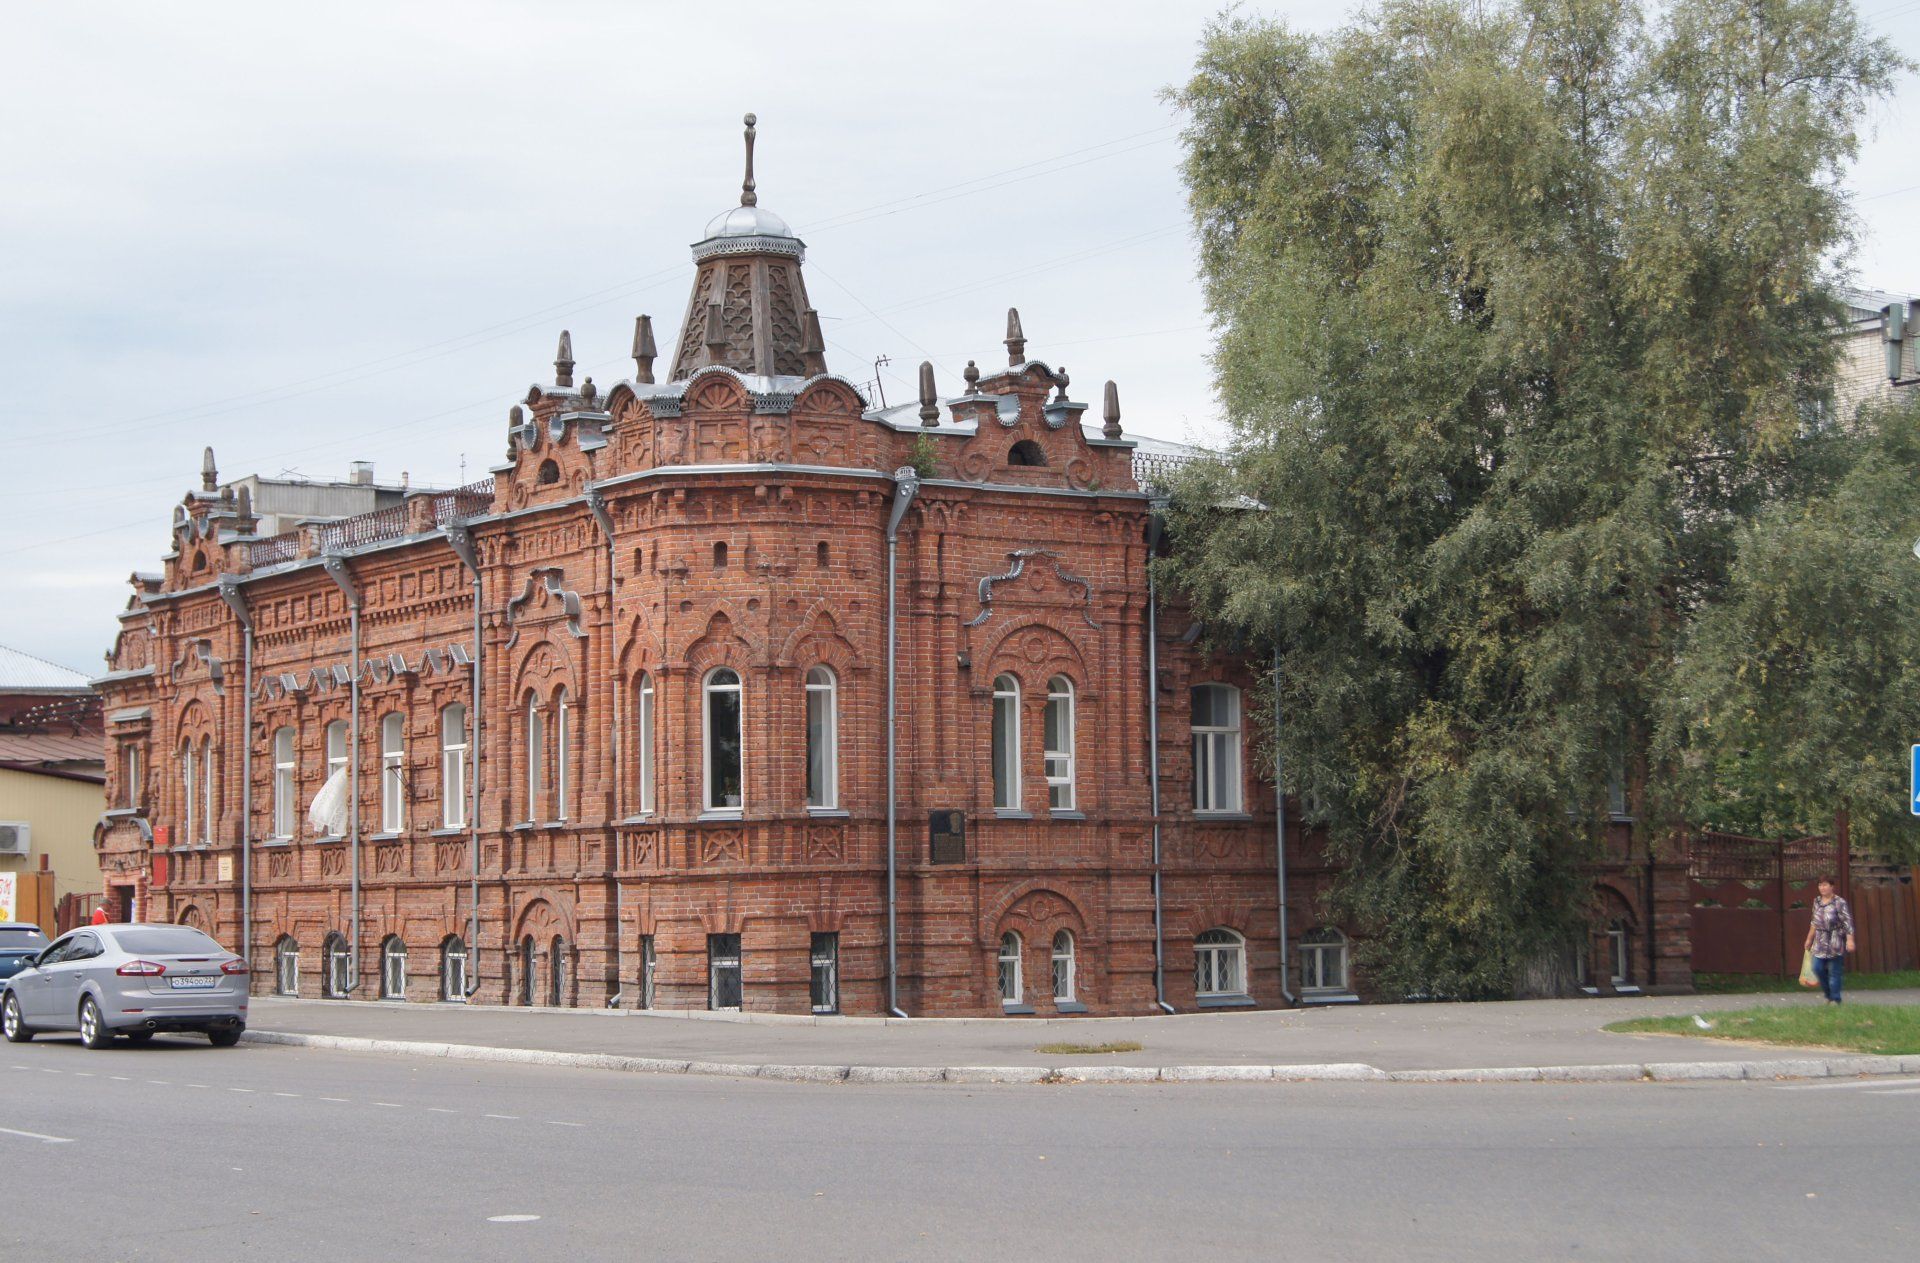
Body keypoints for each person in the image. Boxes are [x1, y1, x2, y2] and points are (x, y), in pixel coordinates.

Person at [1803, 876, 1855, 1004]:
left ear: (1832, 886)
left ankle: (1835, 999)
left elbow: (1847, 922)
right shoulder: (1817, 902)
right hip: (1820, 941)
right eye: (1820, 885)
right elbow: (1814, 922)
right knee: (1817, 968)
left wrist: (1850, 940)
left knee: (1834, 972)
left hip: (1835, 941)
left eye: (1825, 885)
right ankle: (1829, 995)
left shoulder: (1839, 902)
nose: (1822, 888)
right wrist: (1809, 939)